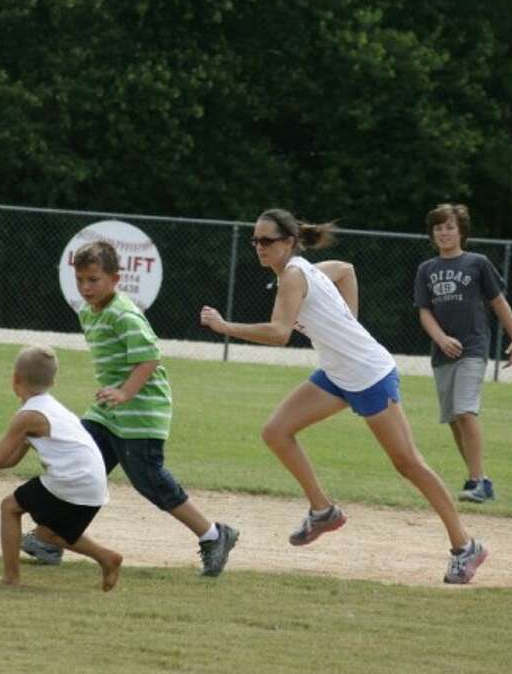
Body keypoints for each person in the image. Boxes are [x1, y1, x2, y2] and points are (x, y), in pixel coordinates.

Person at [199, 208, 487, 584]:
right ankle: (323, 511)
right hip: (338, 373)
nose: (259, 247)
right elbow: (347, 270)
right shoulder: (306, 268)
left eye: (267, 240)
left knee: (408, 463)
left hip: (368, 374)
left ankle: (466, 546)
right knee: (276, 432)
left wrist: (224, 327)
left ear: (288, 242)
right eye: (255, 240)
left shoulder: (292, 275)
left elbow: (279, 332)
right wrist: (348, 322)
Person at [21, 240, 239, 578]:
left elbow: (150, 357)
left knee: (148, 479)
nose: (86, 287)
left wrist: (125, 392)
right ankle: (52, 540)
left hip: (142, 409)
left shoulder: (123, 313)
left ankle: (214, 535)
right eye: (80, 279)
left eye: (93, 279)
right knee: (82, 466)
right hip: (109, 409)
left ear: (115, 278)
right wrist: (117, 395)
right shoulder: (87, 311)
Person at [0, 344, 122, 591]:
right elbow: (10, 460)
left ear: (15, 379)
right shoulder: (49, 408)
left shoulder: (29, 416)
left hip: (72, 481)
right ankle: (107, 557)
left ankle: (10, 578)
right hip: (92, 484)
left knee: (9, 507)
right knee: (47, 535)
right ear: (54, 380)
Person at [414, 203, 512, 504]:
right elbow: (424, 312)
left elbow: (498, 302)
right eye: (438, 228)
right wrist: (440, 338)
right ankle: (481, 480)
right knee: (453, 418)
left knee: (465, 411)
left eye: (449, 227)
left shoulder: (477, 263)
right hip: (442, 352)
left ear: (461, 230)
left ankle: (476, 481)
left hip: (473, 348)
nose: (444, 233)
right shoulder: (427, 269)